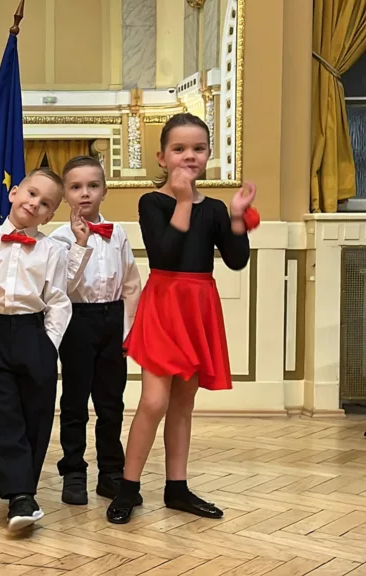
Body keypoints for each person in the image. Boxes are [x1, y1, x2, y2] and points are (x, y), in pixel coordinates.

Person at [107, 113, 256, 525]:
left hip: (198, 307)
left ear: (208, 154)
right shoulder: (152, 202)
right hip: (165, 303)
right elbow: (165, 254)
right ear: (162, 157)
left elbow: (236, 260)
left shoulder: (215, 209)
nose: (190, 156)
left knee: (183, 403)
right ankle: (128, 487)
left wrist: (237, 216)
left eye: (198, 148)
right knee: (154, 401)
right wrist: (184, 200)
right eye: (179, 149)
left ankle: (177, 488)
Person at [0, 168, 74, 531]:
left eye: (46, 203)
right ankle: (20, 496)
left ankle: (25, 490)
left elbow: (58, 300)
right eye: (31, 193)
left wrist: (49, 344)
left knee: (35, 415)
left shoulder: (53, 250)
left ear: (50, 215)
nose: (35, 203)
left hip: (33, 334)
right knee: (1, 415)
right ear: (14, 193)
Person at [49, 156, 141, 506]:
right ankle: (73, 471)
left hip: (113, 319)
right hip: (77, 320)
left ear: (105, 190)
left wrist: (128, 330)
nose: (84, 193)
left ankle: (111, 472)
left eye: (92, 185)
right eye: (76, 187)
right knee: (74, 402)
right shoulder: (58, 238)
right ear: (64, 194)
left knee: (111, 401)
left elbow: (131, 284)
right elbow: (62, 286)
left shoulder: (118, 233)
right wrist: (80, 244)